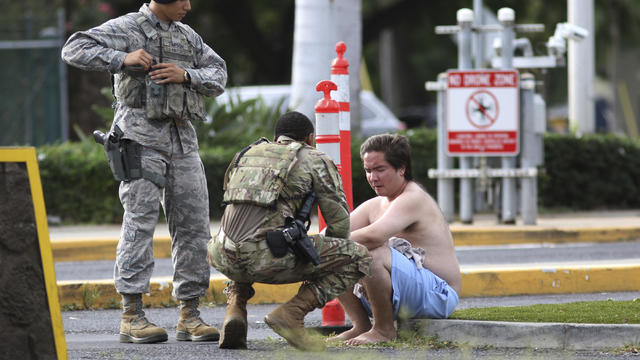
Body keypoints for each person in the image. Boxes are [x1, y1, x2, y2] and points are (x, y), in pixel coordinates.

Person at [61, 0, 226, 344]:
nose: (188, 5)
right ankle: (132, 315)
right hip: (139, 140)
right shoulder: (128, 27)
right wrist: (123, 59)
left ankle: (190, 315)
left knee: (195, 227)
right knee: (139, 224)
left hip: (182, 142)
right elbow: (74, 48)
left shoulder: (187, 36)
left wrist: (188, 75)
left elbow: (219, 74)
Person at [207, 111, 372, 351]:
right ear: (310, 138)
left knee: (245, 236)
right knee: (359, 256)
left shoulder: (246, 154)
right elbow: (339, 224)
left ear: (276, 139)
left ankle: (235, 308)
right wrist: (324, 261)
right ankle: (292, 313)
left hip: (220, 254)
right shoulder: (314, 158)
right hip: (266, 258)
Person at [330, 134, 461, 345]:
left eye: (380, 169)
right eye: (368, 171)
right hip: (407, 293)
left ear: (401, 168)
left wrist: (325, 245)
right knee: (333, 253)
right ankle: (361, 326)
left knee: (371, 250)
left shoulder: (413, 197)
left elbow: (374, 236)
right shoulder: (376, 204)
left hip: (438, 294)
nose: (373, 177)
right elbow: (332, 232)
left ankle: (383, 330)